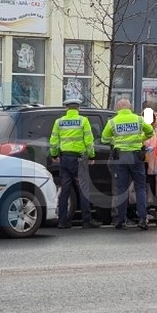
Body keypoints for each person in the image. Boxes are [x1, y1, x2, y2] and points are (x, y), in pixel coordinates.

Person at [102, 99, 154, 230]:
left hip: (121, 157)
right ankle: (142, 219)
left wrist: (115, 140)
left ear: (118, 109)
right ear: (130, 108)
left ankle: (121, 220)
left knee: (121, 189)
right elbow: (150, 132)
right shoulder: (139, 119)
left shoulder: (112, 121)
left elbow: (104, 139)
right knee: (140, 188)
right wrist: (139, 139)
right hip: (136, 156)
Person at [49, 98, 101, 229]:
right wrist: (91, 156)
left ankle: (62, 221)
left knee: (65, 190)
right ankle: (86, 221)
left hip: (65, 158)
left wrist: (54, 154)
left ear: (67, 108)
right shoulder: (83, 121)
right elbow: (89, 141)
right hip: (79, 159)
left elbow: (54, 141)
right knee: (83, 189)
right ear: (78, 108)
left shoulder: (59, 122)